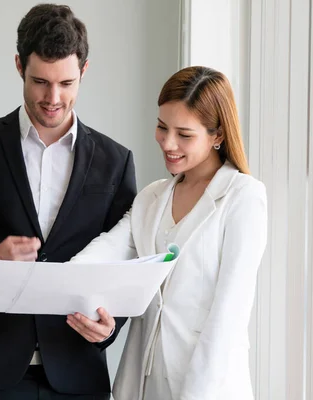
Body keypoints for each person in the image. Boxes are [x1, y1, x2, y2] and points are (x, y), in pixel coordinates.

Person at [0, 4, 137, 400]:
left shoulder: (115, 161)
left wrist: (111, 325)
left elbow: (126, 259)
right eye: (40, 82)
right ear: (19, 65)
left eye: (67, 83)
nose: (53, 98)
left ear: (84, 71)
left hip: (77, 373)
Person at [71, 66, 268, 400]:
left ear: (217, 135)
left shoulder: (243, 197)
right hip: (143, 384)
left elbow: (228, 314)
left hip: (207, 386)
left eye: (184, 134)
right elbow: (102, 254)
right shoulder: (152, 197)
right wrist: (52, 283)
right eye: (162, 127)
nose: (168, 143)